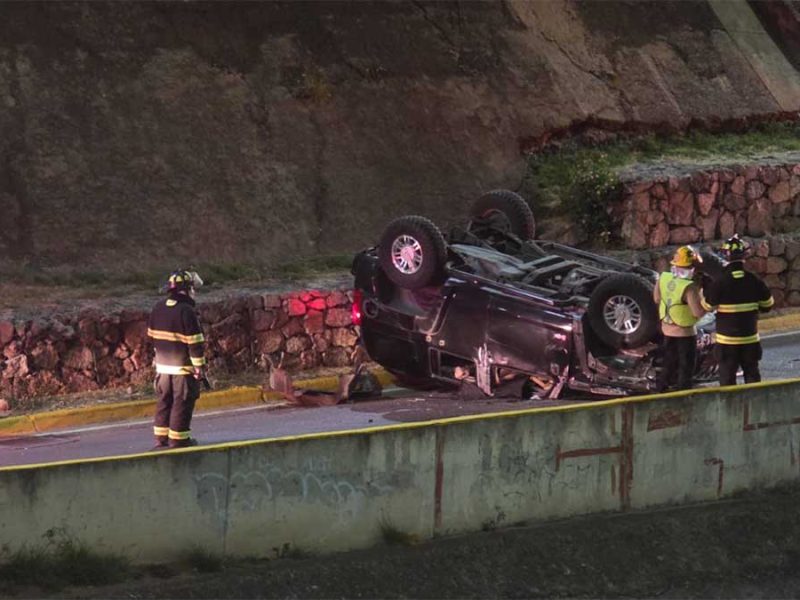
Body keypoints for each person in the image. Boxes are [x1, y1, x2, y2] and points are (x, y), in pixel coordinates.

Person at [701, 235, 774, 386]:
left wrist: (704, 292)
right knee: (752, 377)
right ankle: (754, 406)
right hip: (750, 340)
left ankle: (730, 409)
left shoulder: (719, 283)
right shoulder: (754, 280)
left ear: (724, 256)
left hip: (726, 343)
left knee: (727, 380)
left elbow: (707, 307)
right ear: (744, 256)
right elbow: (768, 305)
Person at [147, 269, 207, 448]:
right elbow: (195, 343)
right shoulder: (186, 311)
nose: (194, 292)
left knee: (164, 402)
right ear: (186, 290)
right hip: (182, 369)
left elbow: (151, 336)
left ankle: (161, 437)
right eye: (192, 288)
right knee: (182, 403)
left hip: (163, 368)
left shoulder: (158, 308)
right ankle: (178, 439)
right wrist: (199, 368)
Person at [653, 245, 707, 391]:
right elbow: (697, 312)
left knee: (669, 362)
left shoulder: (663, 278)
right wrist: (709, 305)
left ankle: (661, 388)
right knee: (686, 365)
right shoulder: (689, 287)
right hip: (685, 332)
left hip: (667, 328)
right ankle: (684, 393)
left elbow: (657, 299)